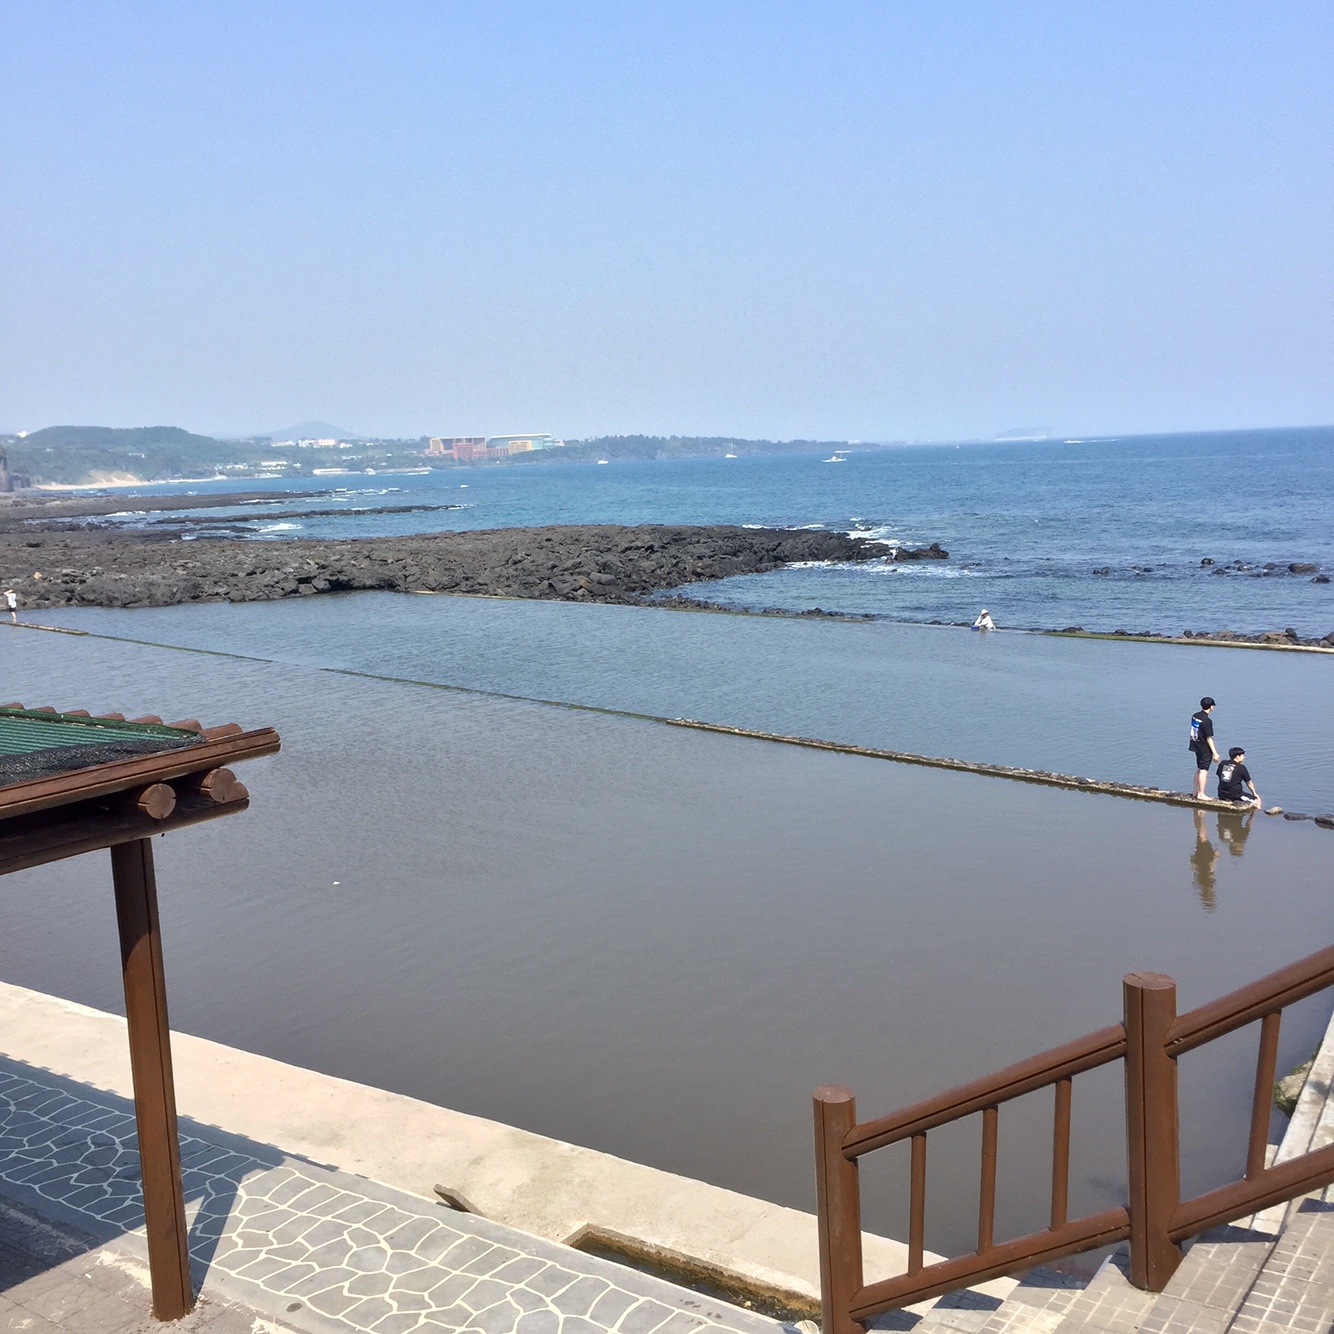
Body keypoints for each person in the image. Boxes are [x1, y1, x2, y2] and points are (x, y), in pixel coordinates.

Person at [1189, 696, 1219, 799]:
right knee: (1203, 770)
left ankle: (1195, 791)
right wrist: (1215, 753)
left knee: (1199, 768)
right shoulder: (1207, 721)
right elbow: (1209, 738)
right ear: (1211, 706)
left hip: (1195, 744)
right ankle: (1201, 793)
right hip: (1204, 748)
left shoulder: (1195, 716)